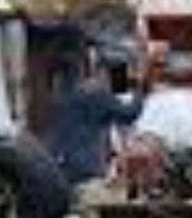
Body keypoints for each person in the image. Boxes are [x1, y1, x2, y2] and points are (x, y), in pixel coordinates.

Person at [48, 53, 147, 206]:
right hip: (88, 169)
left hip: (65, 167)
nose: (121, 81)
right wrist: (140, 88)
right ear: (105, 72)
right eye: (120, 75)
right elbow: (130, 113)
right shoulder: (98, 94)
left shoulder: (70, 94)